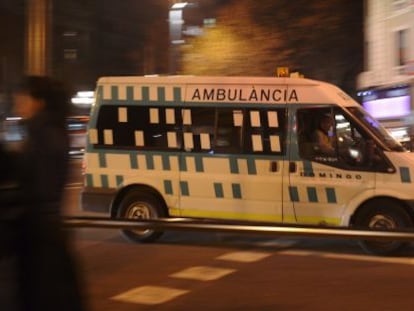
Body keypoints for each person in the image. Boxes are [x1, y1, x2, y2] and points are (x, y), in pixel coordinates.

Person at [0, 76, 86, 311]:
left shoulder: (45, 135)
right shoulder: (45, 132)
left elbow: (39, 188)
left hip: (40, 240)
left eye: (22, 98)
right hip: (43, 237)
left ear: (39, 102)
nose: (18, 103)